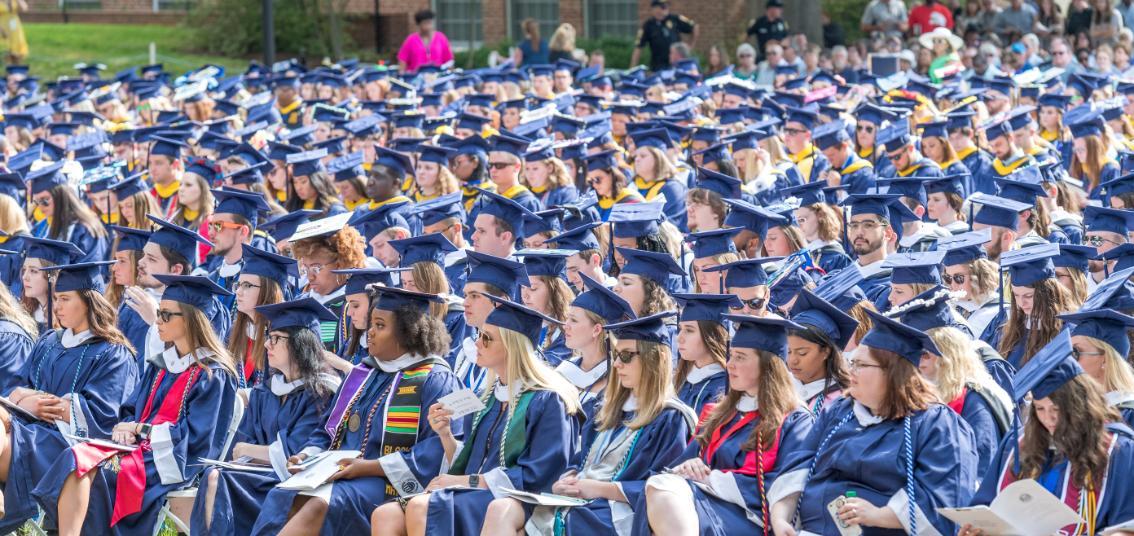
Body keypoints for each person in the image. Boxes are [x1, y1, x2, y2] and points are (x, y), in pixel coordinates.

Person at [33, 275, 238, 535]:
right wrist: (124, 427)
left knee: (94, 472)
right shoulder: (161, 365)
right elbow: (131, 411)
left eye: (165, 315)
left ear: (190, 320)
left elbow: (198, 440)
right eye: (159, 313)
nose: (158, 320)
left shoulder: (213, 375)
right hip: (137, 450)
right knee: (76, 457)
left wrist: (140, 429)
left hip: (170, 460)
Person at [253, 286, 461, 535]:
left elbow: (436, 452)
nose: (369, 333)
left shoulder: (436, 379)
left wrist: (368, 467)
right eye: (371, 323)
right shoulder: (362, 375)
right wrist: (308, 456)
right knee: (287, 494)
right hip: (343, 474)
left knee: (320, 503)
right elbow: (327, 431)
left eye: (380, 326)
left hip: (391, 483)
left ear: (408, 333)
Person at [370, 297, 580, 536]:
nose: (477, 343)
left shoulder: (548, 401)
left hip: (515, 499)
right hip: (476, 492)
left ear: (512, 346)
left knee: (421, 507)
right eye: (480, 334)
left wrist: (464, 482)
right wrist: (446, 435)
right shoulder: (486, 397)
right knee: (385, 515)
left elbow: (537, 476)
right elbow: (472, 462)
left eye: (487, 338)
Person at [480, 311, 696, 535]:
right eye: (616, 355)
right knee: (501, 509)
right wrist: (566, 480)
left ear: (655, 359)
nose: (617, 365)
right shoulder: (607, 409)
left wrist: (597, 489)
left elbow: (663, 491)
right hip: (579, 500)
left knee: (564, 521)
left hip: (617, 510)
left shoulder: (670, 419)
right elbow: (578, 462)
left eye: (627, 356)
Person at [768, 311, 978, 536]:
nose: (851, 372)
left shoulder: (936, 425)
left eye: (860, 364)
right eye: (852, 363)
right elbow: (799, 467)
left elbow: (944, 499)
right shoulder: (841, 411)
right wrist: (780, 519)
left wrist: (879, 515)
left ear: (893, 373)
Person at [638, 314, 815, 535]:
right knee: (660, 486)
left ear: (769, 365)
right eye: (731, 356)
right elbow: (682, 465)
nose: (729, 364)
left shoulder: (795, 419)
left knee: (664, 493)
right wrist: (689, 466)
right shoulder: (722, 413)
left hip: (750, 518)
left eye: (740, 357)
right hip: (705, 504)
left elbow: (786, 485)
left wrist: (712, 479)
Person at [190, 298, 338, 535]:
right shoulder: (265, 392)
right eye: (269, 336)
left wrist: (250, 450)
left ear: (301, 343)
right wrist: (252, 451)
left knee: (217, 480)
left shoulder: (322, 393)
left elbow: (295, 454)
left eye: (276, 338)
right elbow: (239, 447)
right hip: (258, 478)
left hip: (289, 484)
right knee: (213, 475)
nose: (267, 344)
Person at [967, 330, 1134, 535]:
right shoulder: (1018, 444)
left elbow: (1127, 523)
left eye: (1056, 409)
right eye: (1040, 409)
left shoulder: (1118, 449)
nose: (1049, 418)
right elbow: (987, 504)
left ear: (1078, 404)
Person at [559, 273, 636, 423]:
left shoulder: (619, 379)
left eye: (573, 320)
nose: (565, 325)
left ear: (596, 329)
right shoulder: (563, 371)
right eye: (567, 318)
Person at [1061, 309, 1134, 428]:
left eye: (1075, 353)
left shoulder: (1129, 414)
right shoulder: (1078, 408)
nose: (1069, 361)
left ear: (1105, 360)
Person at [787, 289, 857, 415]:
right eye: (788, 351)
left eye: (802, 353)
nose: (792, 360)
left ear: (826, 351)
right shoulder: (781, 386)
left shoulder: (843, 401)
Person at [27, 162, 109, 266]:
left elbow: (89, 273)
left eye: (45, 200)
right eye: (37, 201)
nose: (40, 206)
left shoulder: (85, 230)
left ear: (60, 196)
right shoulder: (41, 228)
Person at [630, 0, 698, 72]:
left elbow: (694, 26)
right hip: (658, 66)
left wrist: (690, 47)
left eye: (665, 7)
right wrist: (632, 69)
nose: (665, 10)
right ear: (654, 9)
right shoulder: (648, 25)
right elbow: (638, 47)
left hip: (676, 64)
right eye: (662, 7)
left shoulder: (675, 19)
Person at [397, 9, 453, 74]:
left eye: (429, 22)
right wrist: (402, 75)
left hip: (438, 77)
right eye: (425, 23)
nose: (428, 26)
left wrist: (450, 75)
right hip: (415, 78)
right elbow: (403, 61)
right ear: (419, 24)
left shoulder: (441, 38)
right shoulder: (411, 40)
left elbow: (449, 60)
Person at [0, 0, 28, 64]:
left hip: (15, 26)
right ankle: (7, 70)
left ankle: (16, 69)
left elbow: (24, 8)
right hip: (3, 26)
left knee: (17, 50)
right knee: (6, 50)